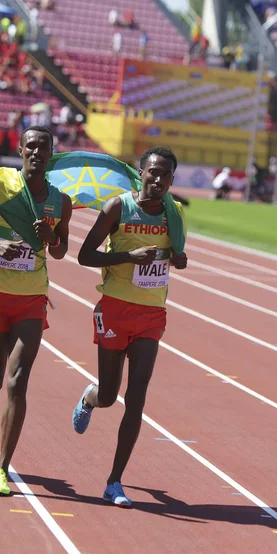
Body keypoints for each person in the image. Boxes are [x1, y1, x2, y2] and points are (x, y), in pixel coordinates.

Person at [0, 126, 72, 496]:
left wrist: (51, 237)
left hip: (32, 298)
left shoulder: (60, 201)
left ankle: (2, 468)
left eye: (44, 147)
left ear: (51, 154)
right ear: (21, 150)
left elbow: (62, 250)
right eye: (31, 146)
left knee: (17, 381)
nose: (37, 152)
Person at [72, 146, 187, 507]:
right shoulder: (118, 208)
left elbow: (177, 256)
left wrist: (178, 258)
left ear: (171, 179)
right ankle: (90, 398)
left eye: (165, 175)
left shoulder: (175, 213)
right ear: (141, 173)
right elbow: (84, 255)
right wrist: (128, 256)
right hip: (115, 310)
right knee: (110, 395)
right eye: (152, 172)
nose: (158, 179)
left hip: (151, 315)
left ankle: (114, 482)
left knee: (136, 399)